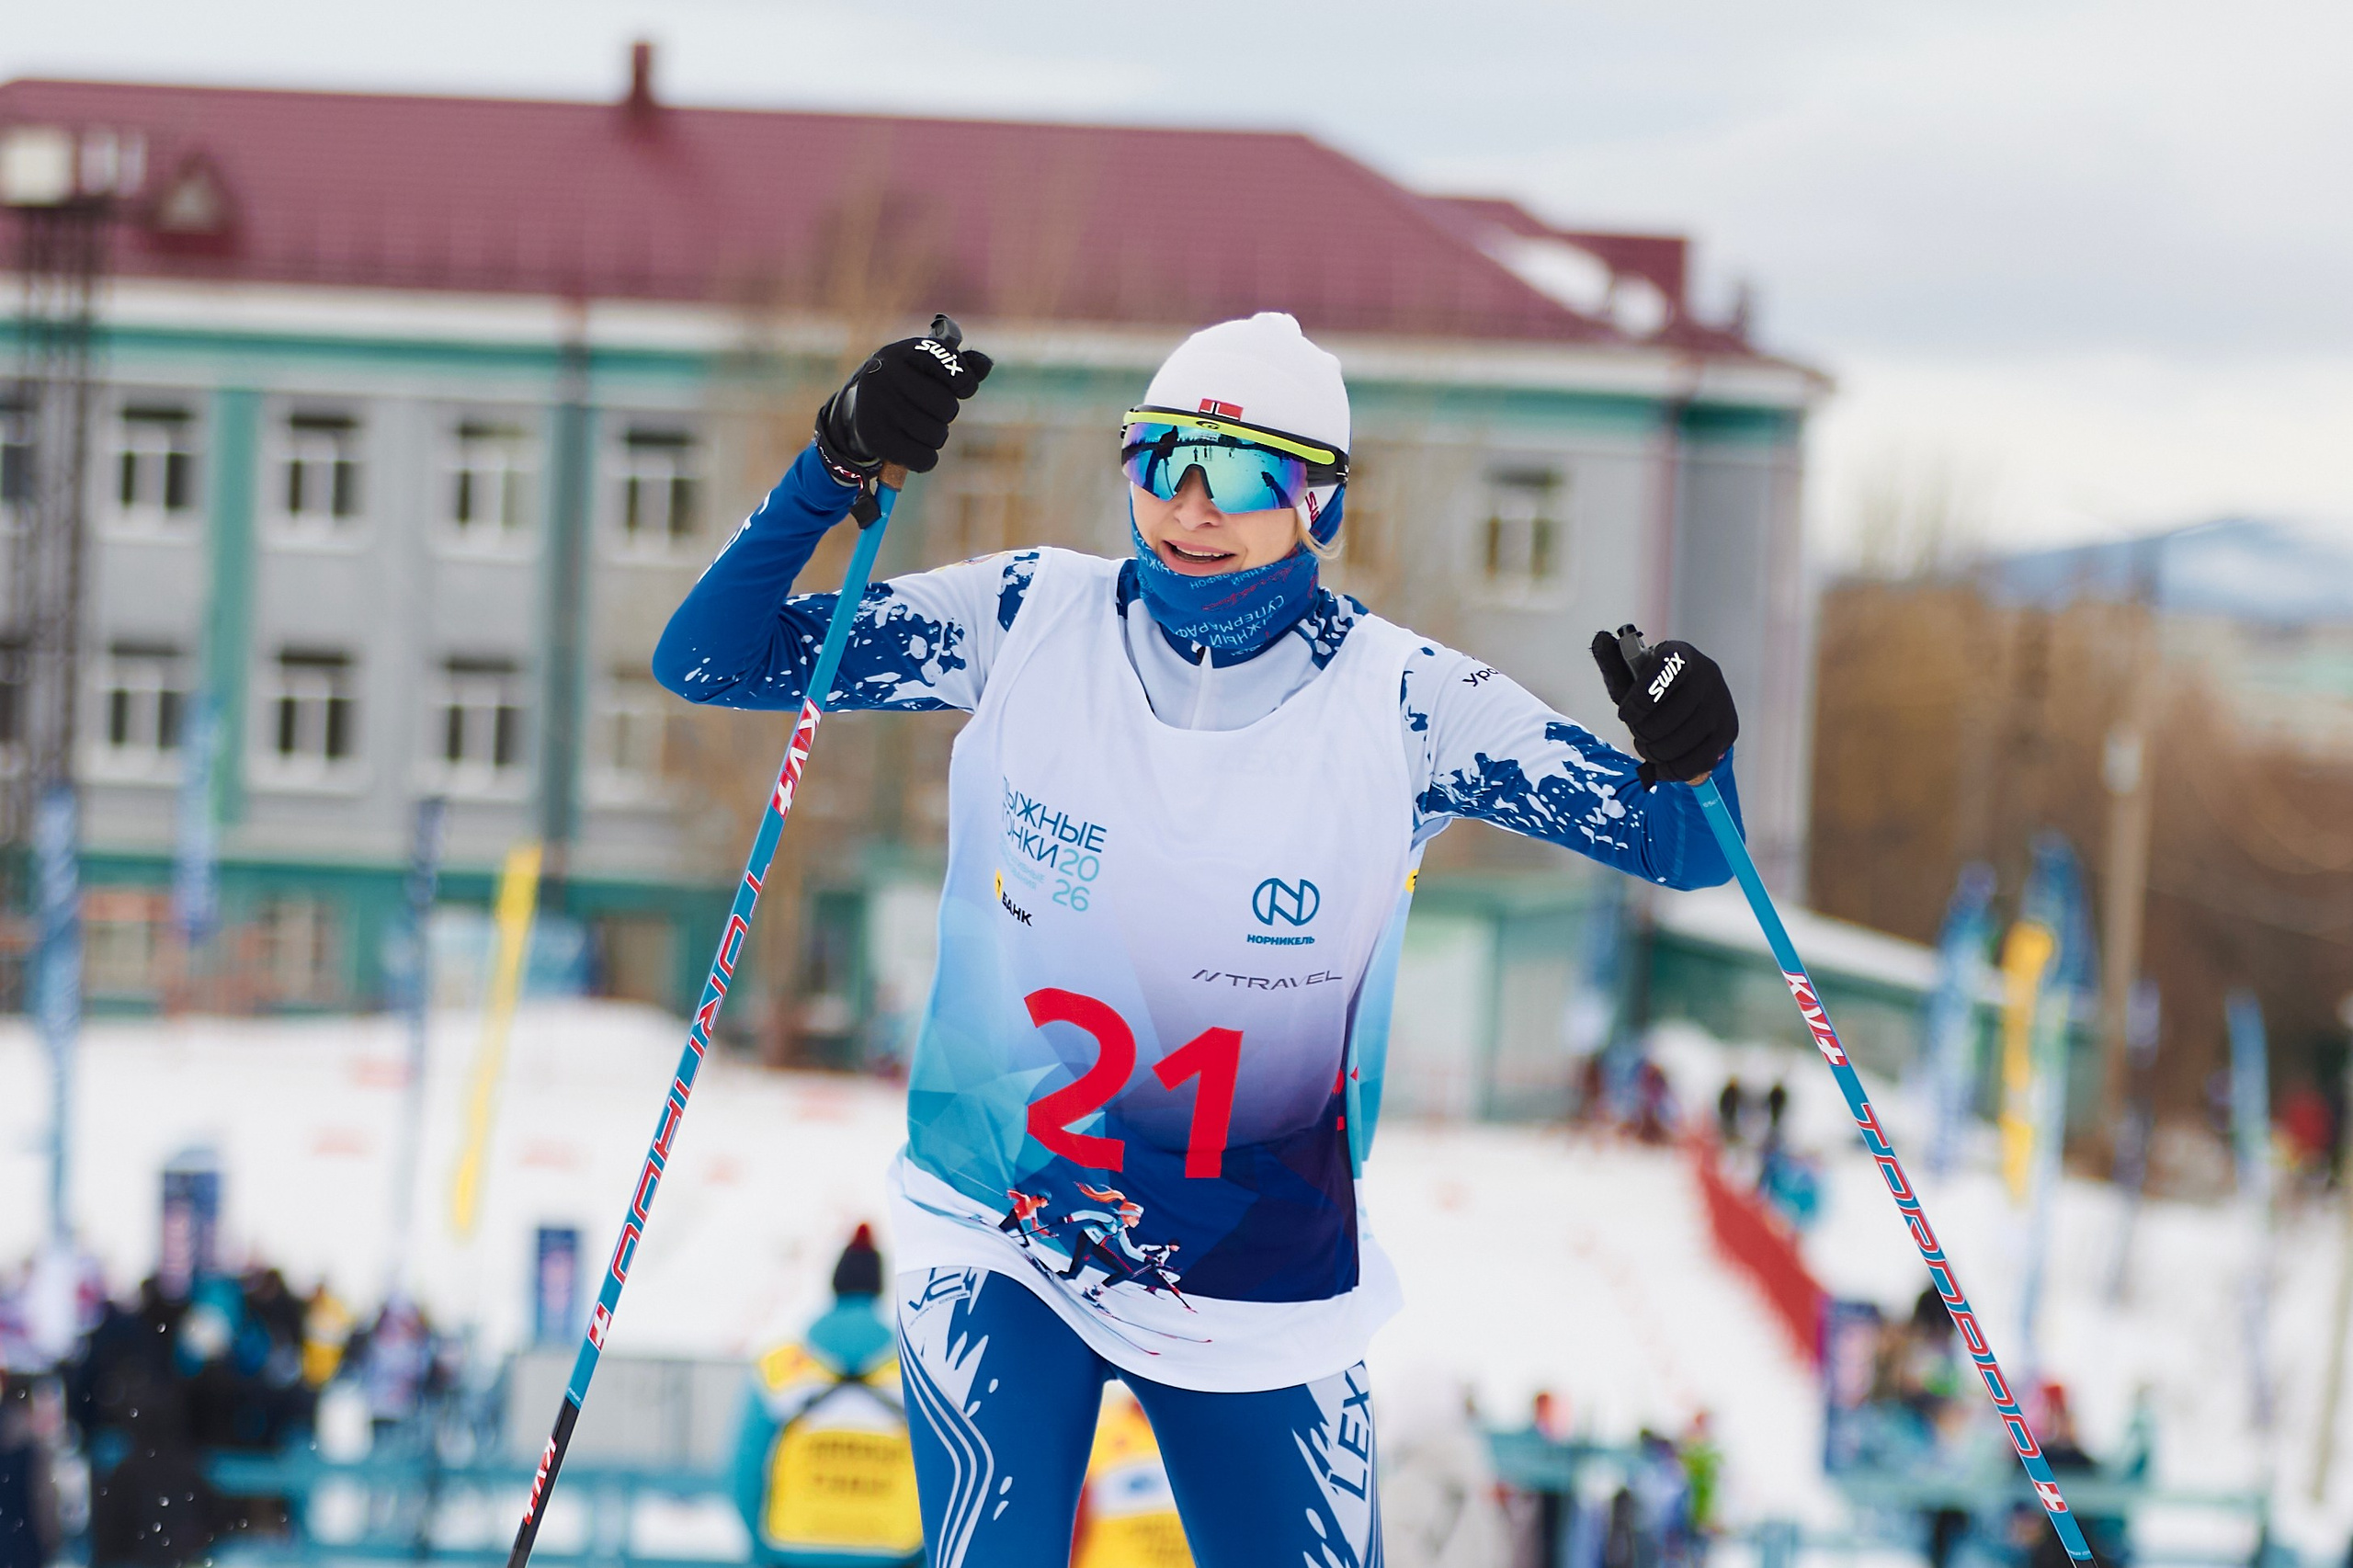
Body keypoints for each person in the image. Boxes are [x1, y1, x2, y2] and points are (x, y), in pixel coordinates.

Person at [655, 312, 1745, 1566]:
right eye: (1157, 458)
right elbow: (714, 659)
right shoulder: (1026, 617)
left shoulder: (1406, 704)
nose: (1189, 504)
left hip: (1256, 1279)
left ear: (1317, 505)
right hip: (1005, 1226)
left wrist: (1698, 750)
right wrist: (834, 465)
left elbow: (1683, 846)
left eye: (1237, 473)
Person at [732, 1226, 921, 1566]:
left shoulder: (780, 1368)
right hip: (891, 1548)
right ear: (879, 1288)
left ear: (834, 1283)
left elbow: (743, 1467)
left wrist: (760, 1548)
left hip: (794, 1544)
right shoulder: (916, 1369)